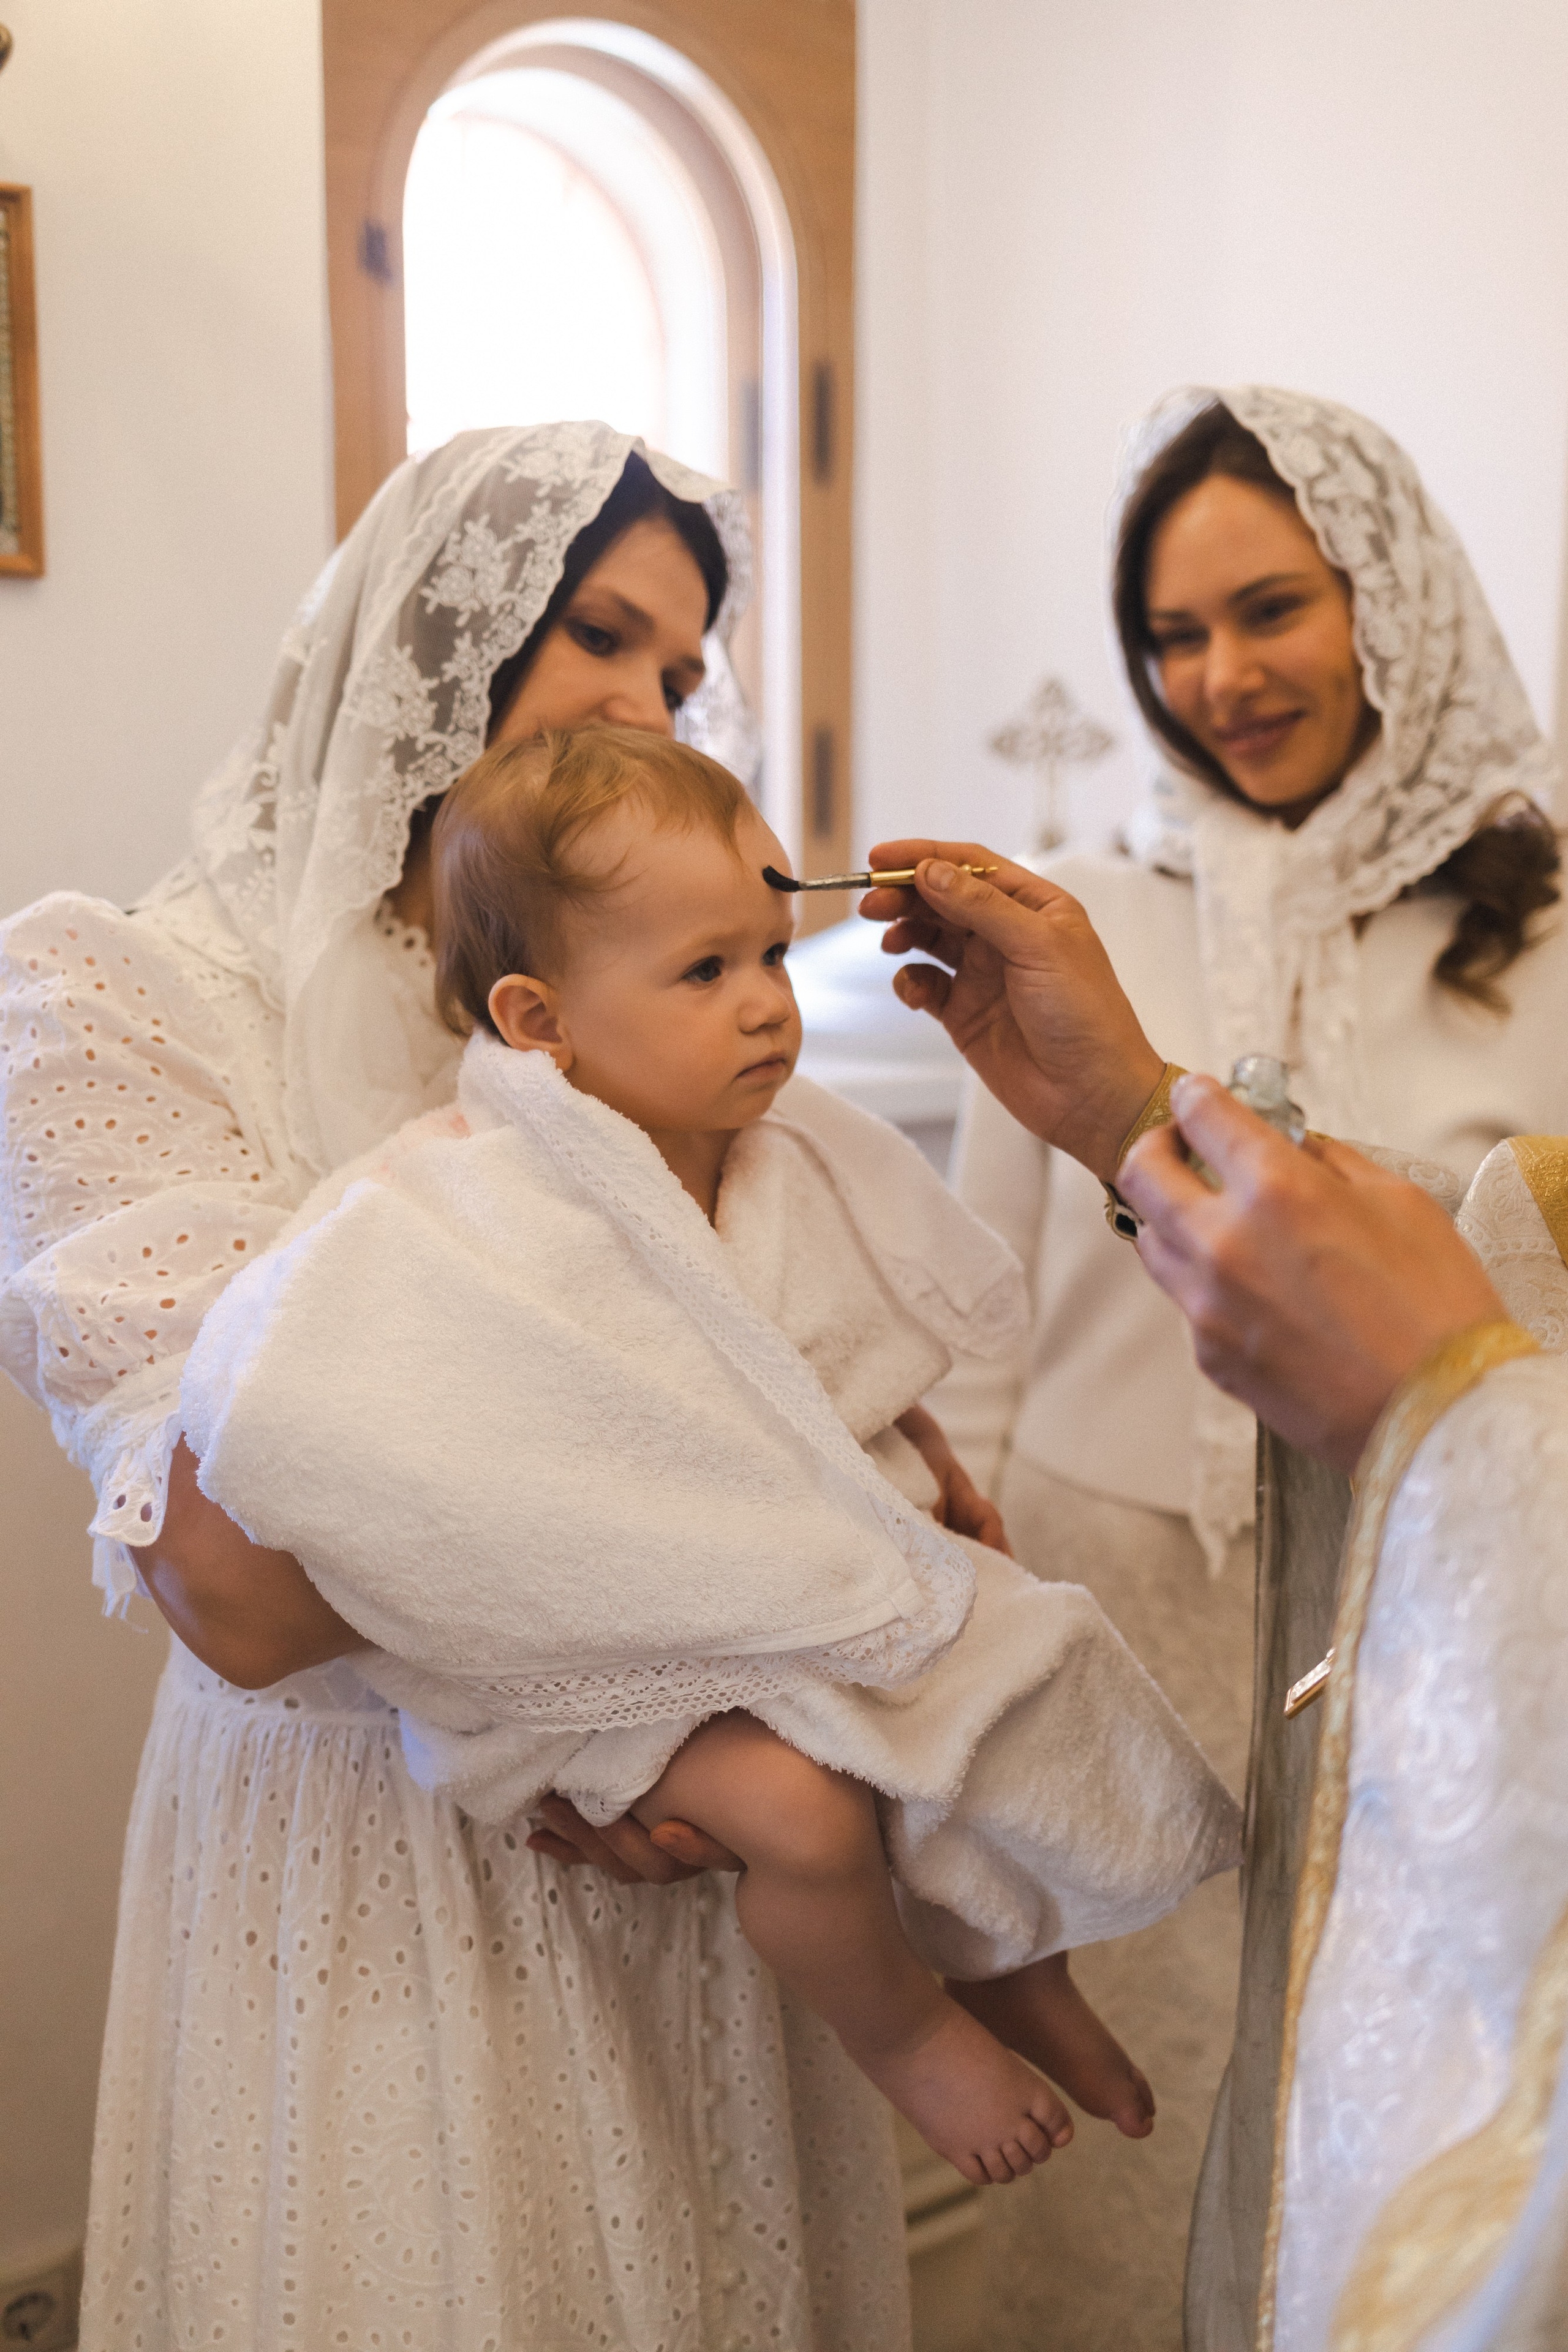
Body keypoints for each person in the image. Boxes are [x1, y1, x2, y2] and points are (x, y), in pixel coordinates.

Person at [1, 425, 921, 2350]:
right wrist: (715, 1531)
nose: (645, 705)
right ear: (442, 632)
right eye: (598, 632)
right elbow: (238, 1589)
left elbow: (830, 1392)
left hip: (703, 1832)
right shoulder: (120, 996)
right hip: (368, 1866)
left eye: (681, 673)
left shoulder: (640, 1007)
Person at [176, 721, 1243, 2190]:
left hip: (766, 1590)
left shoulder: (772, 1149)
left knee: (1011, 1658)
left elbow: (816, 1385)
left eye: (769, 957)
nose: (765, 1011)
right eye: (703, 972)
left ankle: (1011, 1966)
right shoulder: (458, 1207)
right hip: (592, 1646)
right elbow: (325, 1396)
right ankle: (912, 2043)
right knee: (804, 1811)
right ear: (539, 1018)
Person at [933, 386, 1568, 2348]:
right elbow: (983, 1307)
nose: (1221, 674)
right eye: (1173, 635)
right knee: (1119, 2114)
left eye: (1271, 609)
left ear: (1393, 601)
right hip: (1116, 1594)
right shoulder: (1092, 912)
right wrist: (956, 1586)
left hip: (1438, 1608)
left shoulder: (1545, 936)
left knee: (1367, 2088)